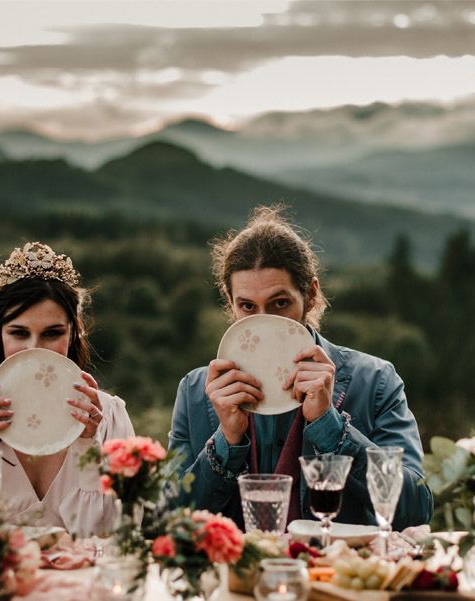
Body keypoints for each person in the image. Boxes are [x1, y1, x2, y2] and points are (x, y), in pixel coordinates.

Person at [168, 207, 432, 530]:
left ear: (310, 294)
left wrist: (332, 428)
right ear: (230, 302)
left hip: (334, 576)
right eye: (248, 306)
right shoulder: (196, 392)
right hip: (234, 578)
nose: (264, 320)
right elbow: (167, 519)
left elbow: (416, 506)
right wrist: (226, 440)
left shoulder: (375, 382)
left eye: (280, 303)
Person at [0, 242, 134, 534]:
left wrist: (87, 445)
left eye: (52, 333)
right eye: (19, 333)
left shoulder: (108, 416)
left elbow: (118, 536)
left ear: (73, 334)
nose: (34, 349)